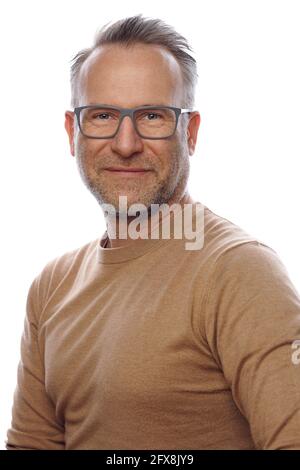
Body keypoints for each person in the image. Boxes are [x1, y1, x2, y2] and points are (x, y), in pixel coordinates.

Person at [5, 14, 300, 450]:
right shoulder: (51, 287)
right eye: (102, 115)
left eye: (153, 116)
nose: (126, 143)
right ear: (73, 132)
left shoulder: (238, 271)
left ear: (190, 131)